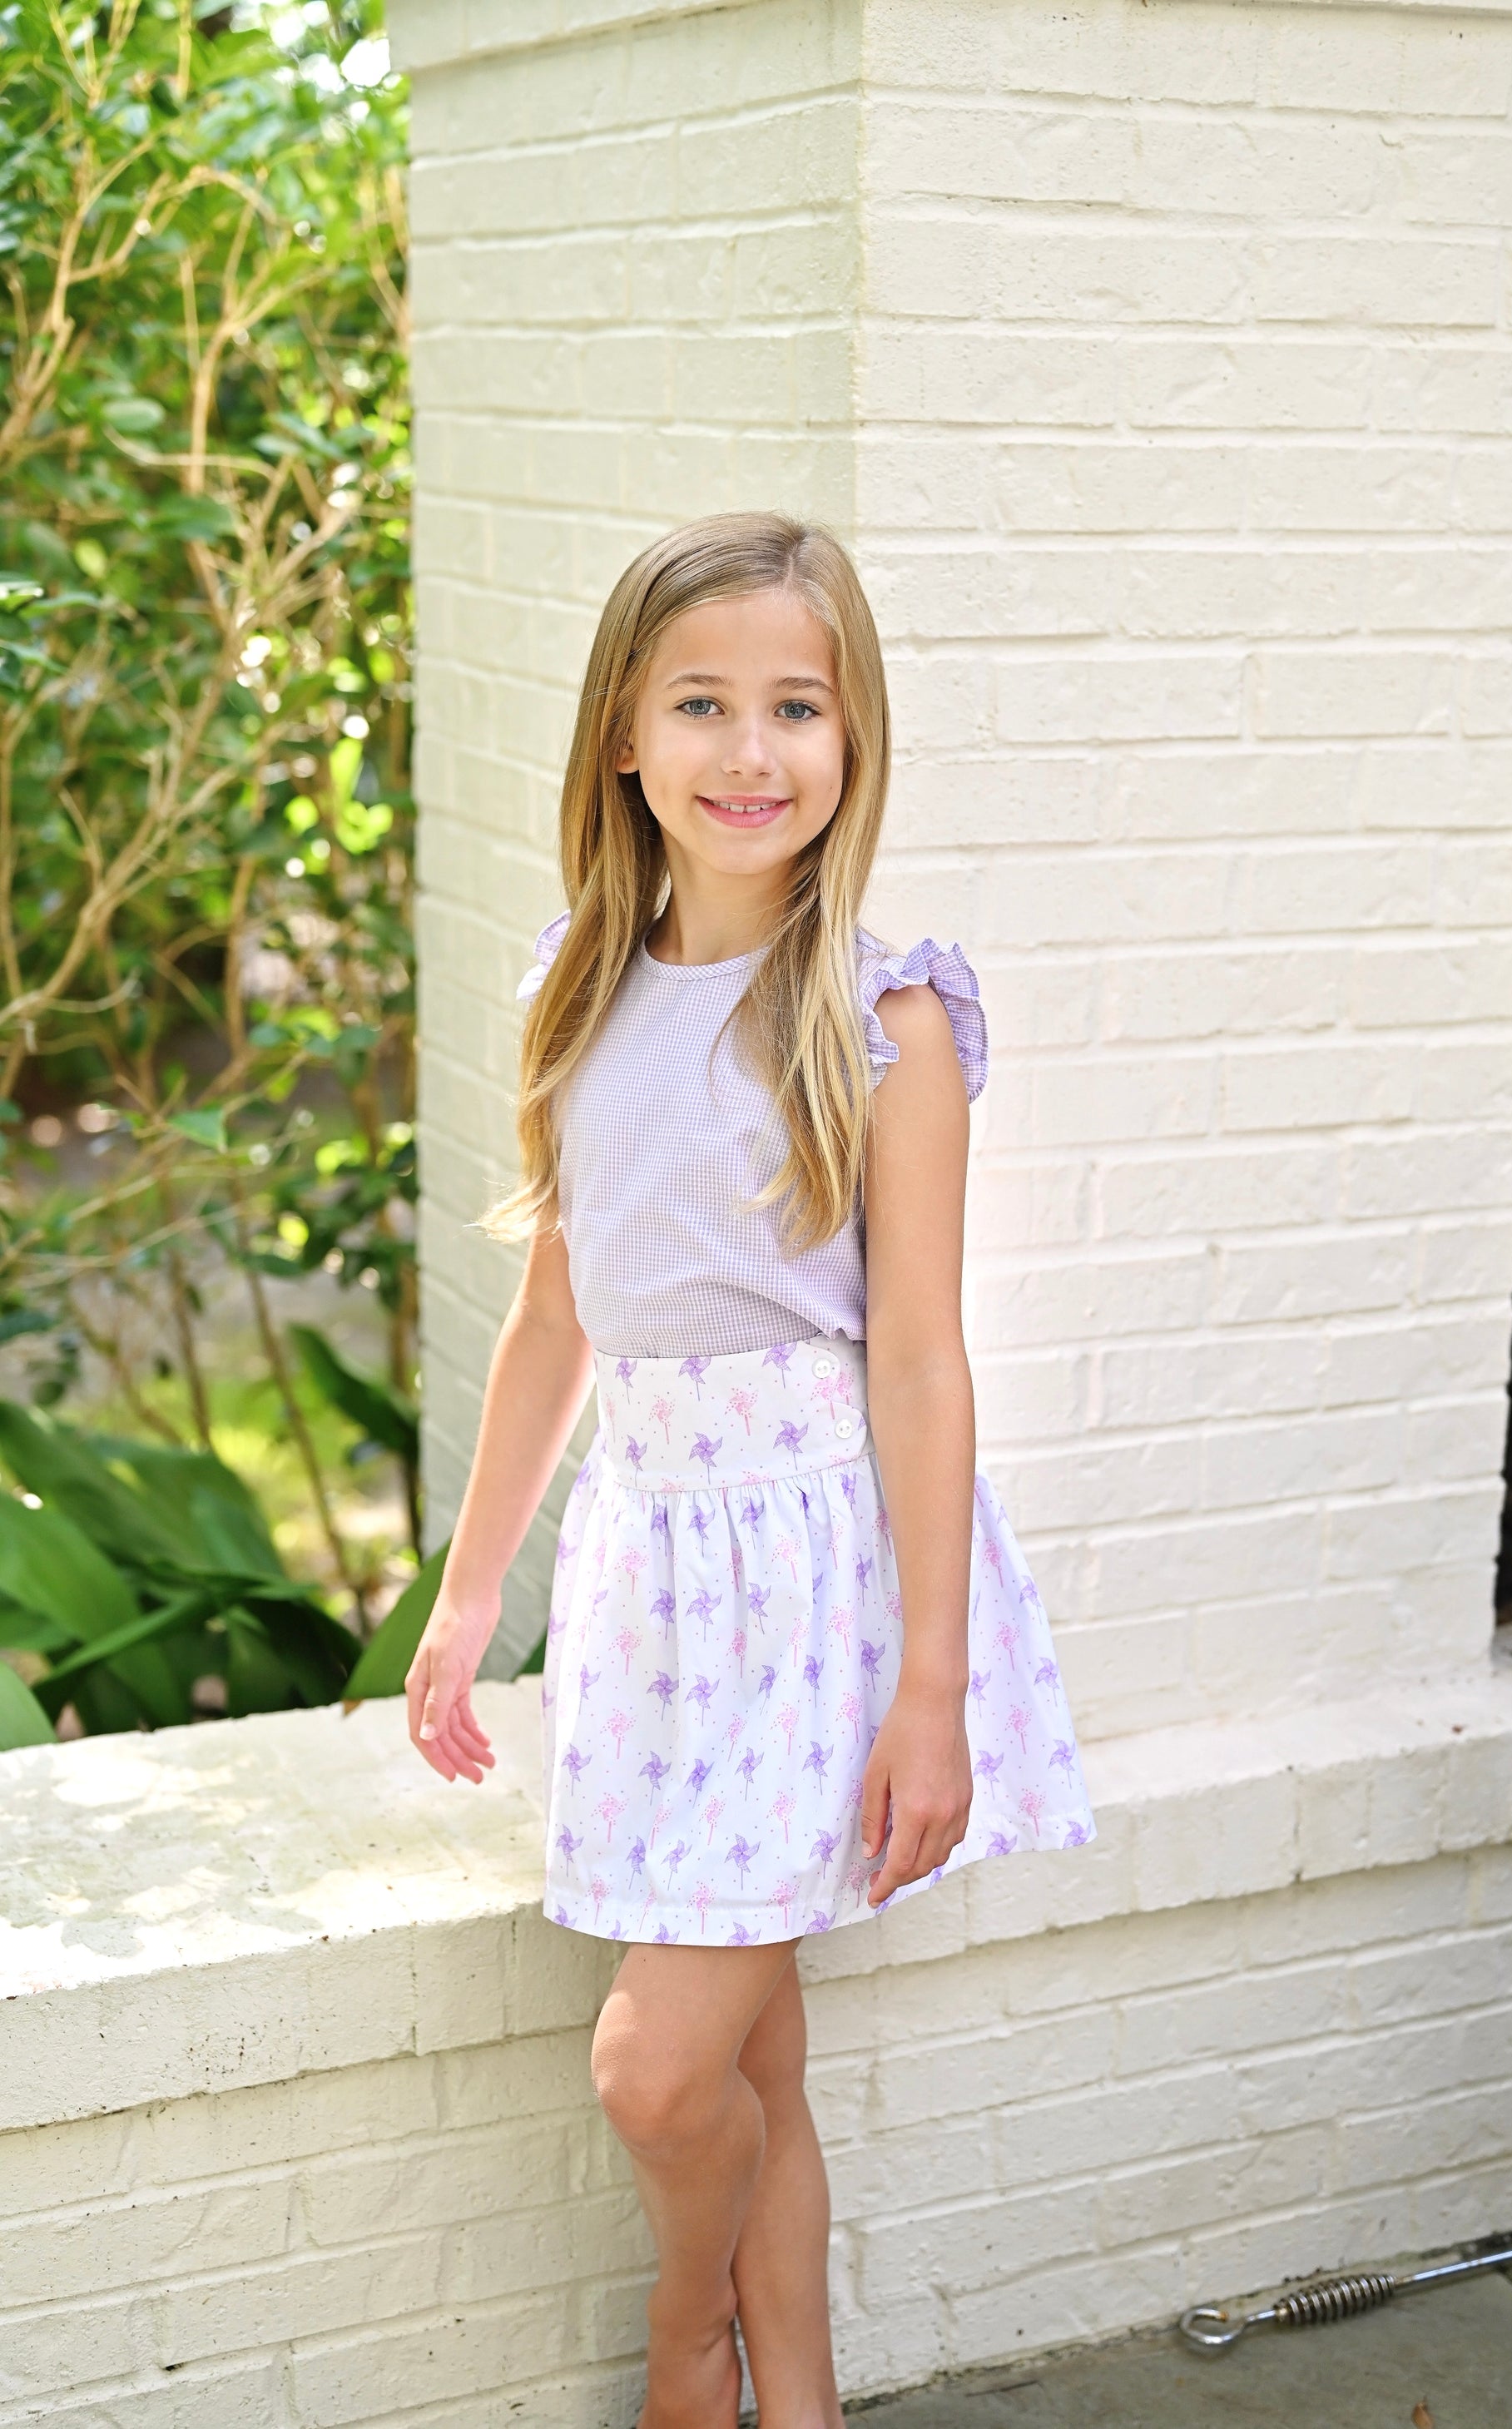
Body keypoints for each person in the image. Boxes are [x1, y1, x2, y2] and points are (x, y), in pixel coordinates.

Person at [404, 512, 1093, 2429]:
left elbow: (919, 1361)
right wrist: (470, 1595)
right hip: (651, 1568)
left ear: (852, 734)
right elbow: (558, 1317)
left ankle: (681, 2331)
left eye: (798, 704)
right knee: (752, 2061)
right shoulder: (578, 985)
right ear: (624, 735)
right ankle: (798, 2399)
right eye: (701, 702)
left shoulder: (886, 1020)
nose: (750, 748)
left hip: (811, 1576)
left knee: (654, 2065)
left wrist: (932, 1688)